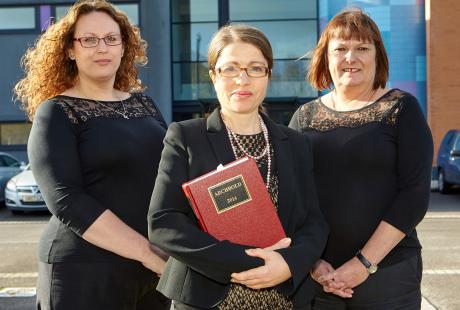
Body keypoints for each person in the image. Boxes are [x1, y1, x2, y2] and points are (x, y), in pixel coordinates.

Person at [147, 24, 328, 310]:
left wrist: (286, 264)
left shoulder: (295, 143)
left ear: (268, 75)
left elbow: (314, 223)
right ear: (212, 76)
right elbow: (164, 223)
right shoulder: (186, 136)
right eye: (229, 69)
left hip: (285, 299)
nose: (242, 80)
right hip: (208, 299)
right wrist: (250, 262)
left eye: (255, 68)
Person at [13, 1, 170, 309]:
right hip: (83, 270)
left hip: (151, 270)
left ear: (124, 47)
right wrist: (146, 253)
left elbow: (170, 175)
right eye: (89, 39)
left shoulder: (145, 105)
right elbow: (66, 200)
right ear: (70, 50)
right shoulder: (57, 112)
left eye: (112, 38)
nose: (103, 48)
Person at [289, 8, 433, 309]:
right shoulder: (303, 117)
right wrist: (313, 261)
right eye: (340, 48)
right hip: (318, 277)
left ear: (377, 56)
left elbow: (414, 195)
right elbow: (293, 198)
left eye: (362, 48)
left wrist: (363, 263)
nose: (350, 58)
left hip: (387, 273)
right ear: (326, 57)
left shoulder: (402, 109)